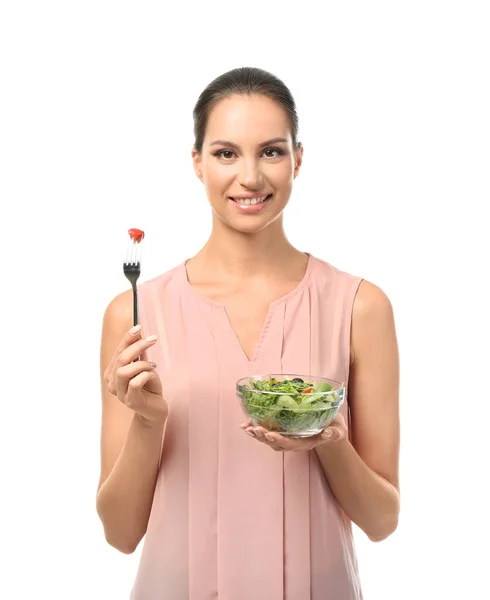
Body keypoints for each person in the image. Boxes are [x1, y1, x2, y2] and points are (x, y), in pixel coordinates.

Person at [96, 66, 400, 600]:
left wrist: (329, 441)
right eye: (226, 153)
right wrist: (148, 422)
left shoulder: (359, 307)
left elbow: (381, 520)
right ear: (197, 162)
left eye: (272, 151)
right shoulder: (136, 313)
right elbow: (120, 535)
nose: (251, 177)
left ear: (298, 159)